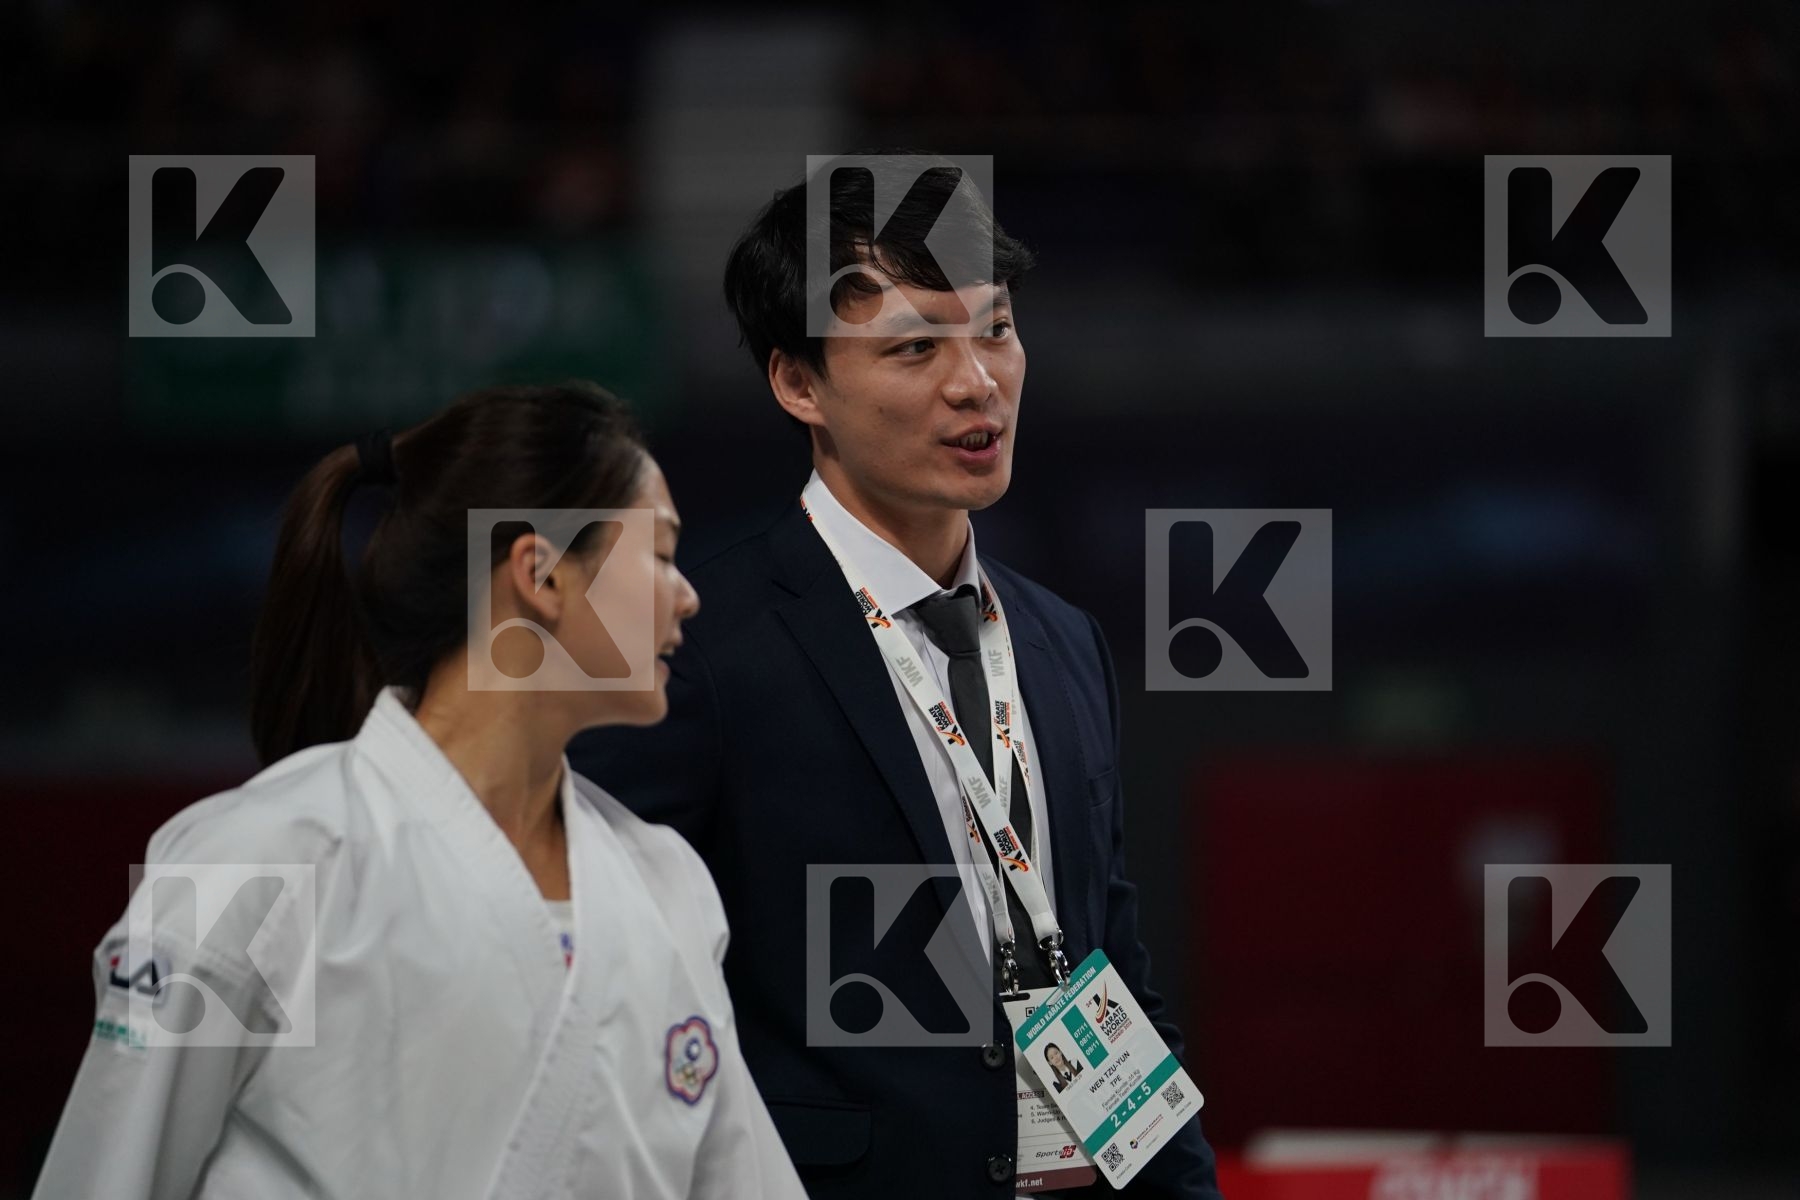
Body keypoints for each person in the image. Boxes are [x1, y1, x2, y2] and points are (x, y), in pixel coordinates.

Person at [569, 158, 1223, 1197]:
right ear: (798, 383)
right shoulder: (694, 643)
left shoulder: (1063, 642)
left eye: (996, 329)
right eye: (916, 346)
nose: (977, 381)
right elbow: (600, 990)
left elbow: (1105, 969)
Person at [32, 382, 807, 1200]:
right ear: (541, 575)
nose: (688, 593)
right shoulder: (254, 861)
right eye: (658, 554)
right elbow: (107, 1176)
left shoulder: (668, 887)